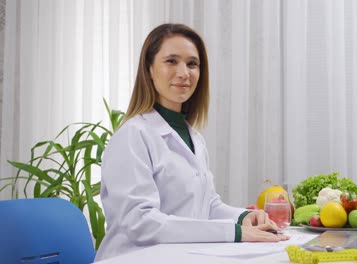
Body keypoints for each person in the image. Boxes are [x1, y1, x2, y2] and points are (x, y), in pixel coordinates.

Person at [94, 23, 288, 261]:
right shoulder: (133, 135)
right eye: (171, 61)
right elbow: (141, 222)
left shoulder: (193, 137)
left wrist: (243, 218)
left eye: (192, 64)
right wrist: (236, 233)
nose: (184, 73)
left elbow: (208, 206)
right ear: (149, 69)